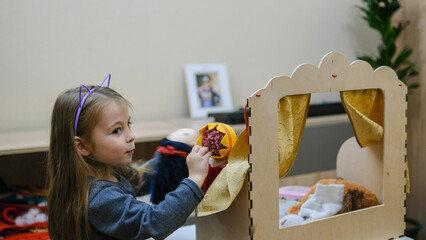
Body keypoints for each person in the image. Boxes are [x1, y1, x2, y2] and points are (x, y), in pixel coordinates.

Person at [46, 74, 211, 240]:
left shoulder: (107, 171)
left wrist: (172, 151)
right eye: (117, 130)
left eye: (128, 125)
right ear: (82, 145)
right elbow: (156, 222)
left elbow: (144, 176)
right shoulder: (100, 198)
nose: (131, 136)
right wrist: (194, 179)